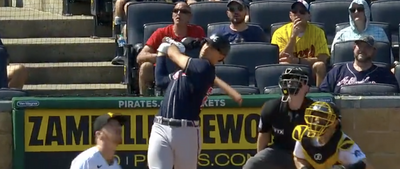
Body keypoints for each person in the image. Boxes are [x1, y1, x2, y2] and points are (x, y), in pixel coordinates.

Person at [147, 34, 242, 169]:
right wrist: (161, 54)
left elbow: (175, 56)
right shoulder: (187, 70)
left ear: (221, 56)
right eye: (206, 43)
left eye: (213, 47)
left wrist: (173, 45)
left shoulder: (205, 68)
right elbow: (161, 81)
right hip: (160, 126)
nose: (207, 47)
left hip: (186, 131)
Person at [243, 67, 315, 169]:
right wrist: (262, 161)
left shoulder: (314, 110)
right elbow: (263, 135)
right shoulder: (272, 107)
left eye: (295, 79)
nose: (290, 83)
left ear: (306, 87)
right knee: (253, 163)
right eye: (288, 79)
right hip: (279, 152)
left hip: (306, 154)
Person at [136, 2, 205, 96]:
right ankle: (145, 100)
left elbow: (205, 53)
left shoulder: (197, 31)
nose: (179, 13)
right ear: (172, 15)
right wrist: (164, 57)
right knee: (145, 67)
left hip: (188, 68)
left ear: (190, 17)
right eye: (176, 11)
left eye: (183, 11)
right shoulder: (161, 32)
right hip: (163, 70)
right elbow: (140, 56)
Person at [292, 101, 374, 169]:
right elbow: (298, 158)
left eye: (323, 118)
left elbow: (366, 165)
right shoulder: (303, 135)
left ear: (335, 123)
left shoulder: (343, 144)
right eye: (315, 117)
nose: (317, 121)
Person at [271, 0, 330, 86]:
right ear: (290, 15)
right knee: (284, 64)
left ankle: (320, 94)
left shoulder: (318, 32)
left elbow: (323, 58)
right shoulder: (280, 33)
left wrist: (298, 60)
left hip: (310, 71)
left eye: (302, 12)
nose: (298, 14)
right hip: (289, 71)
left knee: (320, 65)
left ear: (309, 16)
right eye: (294, 12)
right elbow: (280, 58)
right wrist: (293, 37)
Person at [319, 36, 398, 94]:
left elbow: (394, 99)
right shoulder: (337, 71)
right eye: (359, 46)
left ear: (374, 51)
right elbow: (323, 94)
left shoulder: (385, 75)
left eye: (367, 47)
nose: (362, 50)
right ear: (354, 48)